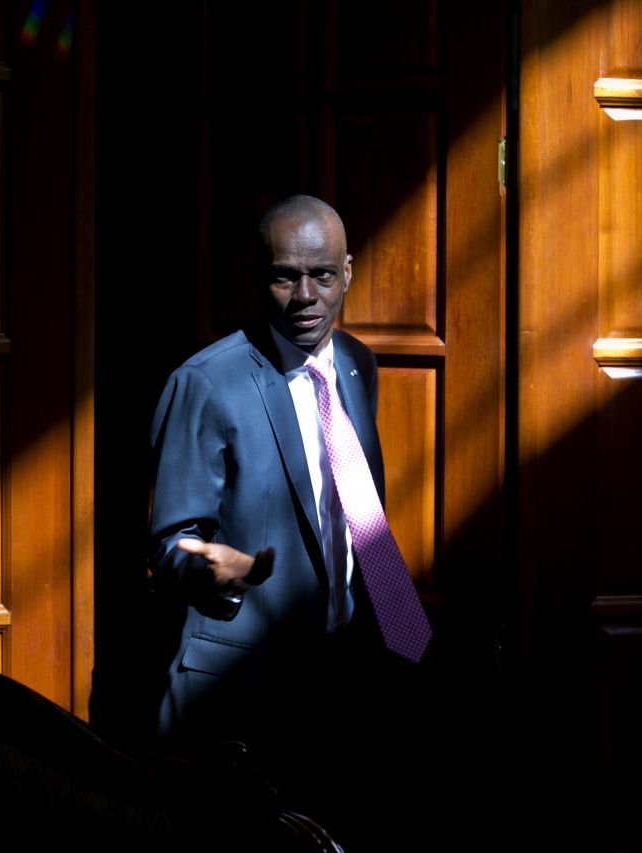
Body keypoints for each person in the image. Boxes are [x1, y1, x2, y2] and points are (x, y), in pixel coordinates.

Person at [145, 194, 433, 845]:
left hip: (347, 682)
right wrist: (213, 570)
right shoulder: (206, 383)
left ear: (349, 272)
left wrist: (409, 638)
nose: (305, 295)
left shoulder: (357, 364)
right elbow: (168, 547)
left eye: (322, 275)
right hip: (245, 695)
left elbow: (361, 512)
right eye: (285, 276)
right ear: (259, 277)